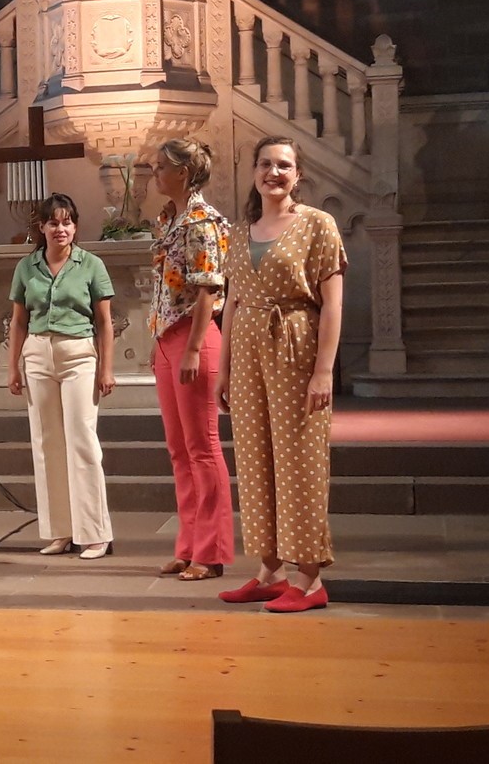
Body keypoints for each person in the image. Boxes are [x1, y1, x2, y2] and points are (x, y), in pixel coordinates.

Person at [215, 136, 346, 613]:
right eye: (266, 164)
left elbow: (332, 304)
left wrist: (323, 371)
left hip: (295, 344)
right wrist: (224, 369)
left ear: (298, 175)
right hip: (248, 350)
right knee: (255, 460)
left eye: (284, 165)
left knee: (299, 459)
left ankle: (309, 579)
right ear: (254, 171)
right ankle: (271, 571)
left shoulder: (317, 224)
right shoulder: (239, 231)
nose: (274, 172)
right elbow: (232, 303)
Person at [7, 193, 115, 560]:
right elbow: (18, 321)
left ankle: (95, 533)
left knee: (82, 439)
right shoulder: (27, 267)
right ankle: (60, 531)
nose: (60, 229)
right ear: (41, 227)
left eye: (67, 222)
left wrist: (106, 368)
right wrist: (13, 366)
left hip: (78, 354)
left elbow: (105, 322)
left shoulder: (91, 265)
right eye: (53, 222)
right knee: (46, 443)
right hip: (38, 354)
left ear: (75, 226)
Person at [148, 138, 235, 581]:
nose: (154, 173)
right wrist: (157, 340)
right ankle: (187, 545)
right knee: (179, 450)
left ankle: (211, 551)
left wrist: (196, 347)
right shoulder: (169, 218)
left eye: (160, 166)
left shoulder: (202, 221)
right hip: (168, 338)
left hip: (194, 337)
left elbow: (208, 289)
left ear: (182, 172)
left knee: (203, 448)